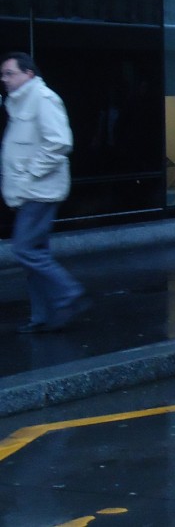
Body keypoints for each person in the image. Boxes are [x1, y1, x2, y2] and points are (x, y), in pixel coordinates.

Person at [1, 52, 88, 333]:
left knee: (24, 249)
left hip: (39, 190)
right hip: (28, 191)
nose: (4, 79)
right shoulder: (19, 102)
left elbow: (59, 143)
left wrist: (30, 173)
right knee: (34, 254)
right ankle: (43, 317)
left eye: (10, 73)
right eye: (3, 74)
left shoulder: (43, 98)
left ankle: (69, 292)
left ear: (28, 73)